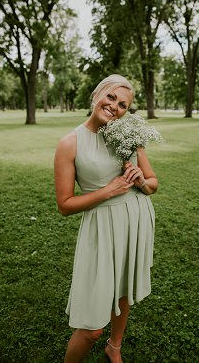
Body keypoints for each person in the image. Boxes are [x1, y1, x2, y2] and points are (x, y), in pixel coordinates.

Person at [52, 74, 158, 363]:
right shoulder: (70, 143)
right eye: (110, 97)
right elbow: (64, 204)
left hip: (134, 221)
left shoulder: (128, 136)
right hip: (101, 229)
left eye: (123, 104)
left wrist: (141, 182)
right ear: (96, 95)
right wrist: (108, 191)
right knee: (91, 329)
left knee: (123, 290)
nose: (115, 106)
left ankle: (115, 347)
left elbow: (153, 184)